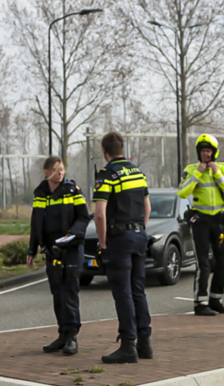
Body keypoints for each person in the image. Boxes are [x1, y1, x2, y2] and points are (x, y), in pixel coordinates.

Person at [93, 132, 153, 364]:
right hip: (139, 236)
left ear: (104, 151)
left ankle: (128, 345)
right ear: (122, 149)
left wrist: (103, 242)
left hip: (119, 239)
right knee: (138, 291)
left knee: (123, 293)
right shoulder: (138, 172)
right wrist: (140, 230)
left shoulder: (107, 174)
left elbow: (100, 214)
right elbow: (147, 208)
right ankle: (145, 343)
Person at [27, 156, 90, 356]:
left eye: (62, 169)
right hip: (51, 250)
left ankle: (72, 336)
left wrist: (72, 234)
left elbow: (83, 216)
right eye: (55, 169)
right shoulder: (40, 194)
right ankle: (62, 334)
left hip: (71, 248)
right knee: (57, 293)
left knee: (69, 291)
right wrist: (32, 249)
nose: (60, 173)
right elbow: (35, 223)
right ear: (46, 172)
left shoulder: (72, 190)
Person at [177, 133, 224, 316]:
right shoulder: (191, 169)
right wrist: (198, 173)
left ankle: (216, 299)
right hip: (201, 222)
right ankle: (200, 303)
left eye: (209, 151)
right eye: (203, 151)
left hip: (219, 221)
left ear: (214, 152)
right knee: (203, 265)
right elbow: (182, 192)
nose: (206, 154)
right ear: (199, 152)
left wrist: (217, 173)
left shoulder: (222, 168)